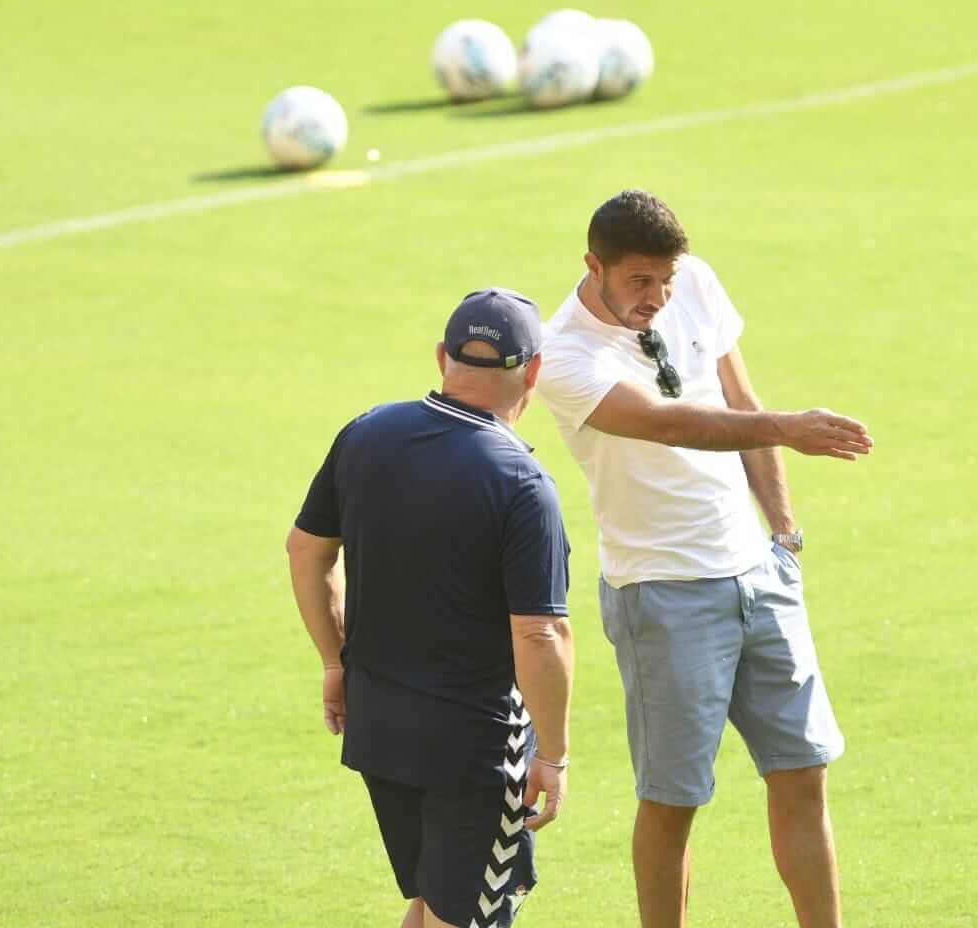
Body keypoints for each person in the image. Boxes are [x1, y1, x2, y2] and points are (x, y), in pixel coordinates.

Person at [535, 189, 871, 928]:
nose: (658, 296)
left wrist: (783, 534)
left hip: (759, 576)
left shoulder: (698, 283)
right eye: (639, 282)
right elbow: (667, 424)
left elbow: (739, 399)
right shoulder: (562, 356)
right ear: (595, 267)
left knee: (802, 773)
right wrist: (787, 427)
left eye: (667, 279)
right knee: (673, 799)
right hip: (663, 596)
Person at [286, 288, 574, 928]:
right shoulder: (522, 484)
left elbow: (305, 551)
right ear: (533, 372)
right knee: (465, 916)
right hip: (471, 749)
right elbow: (541, 633)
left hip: (379, 728)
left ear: (443, 356)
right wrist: (551, 756)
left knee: (432, 906)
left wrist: (336, 664)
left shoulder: (365, 433)